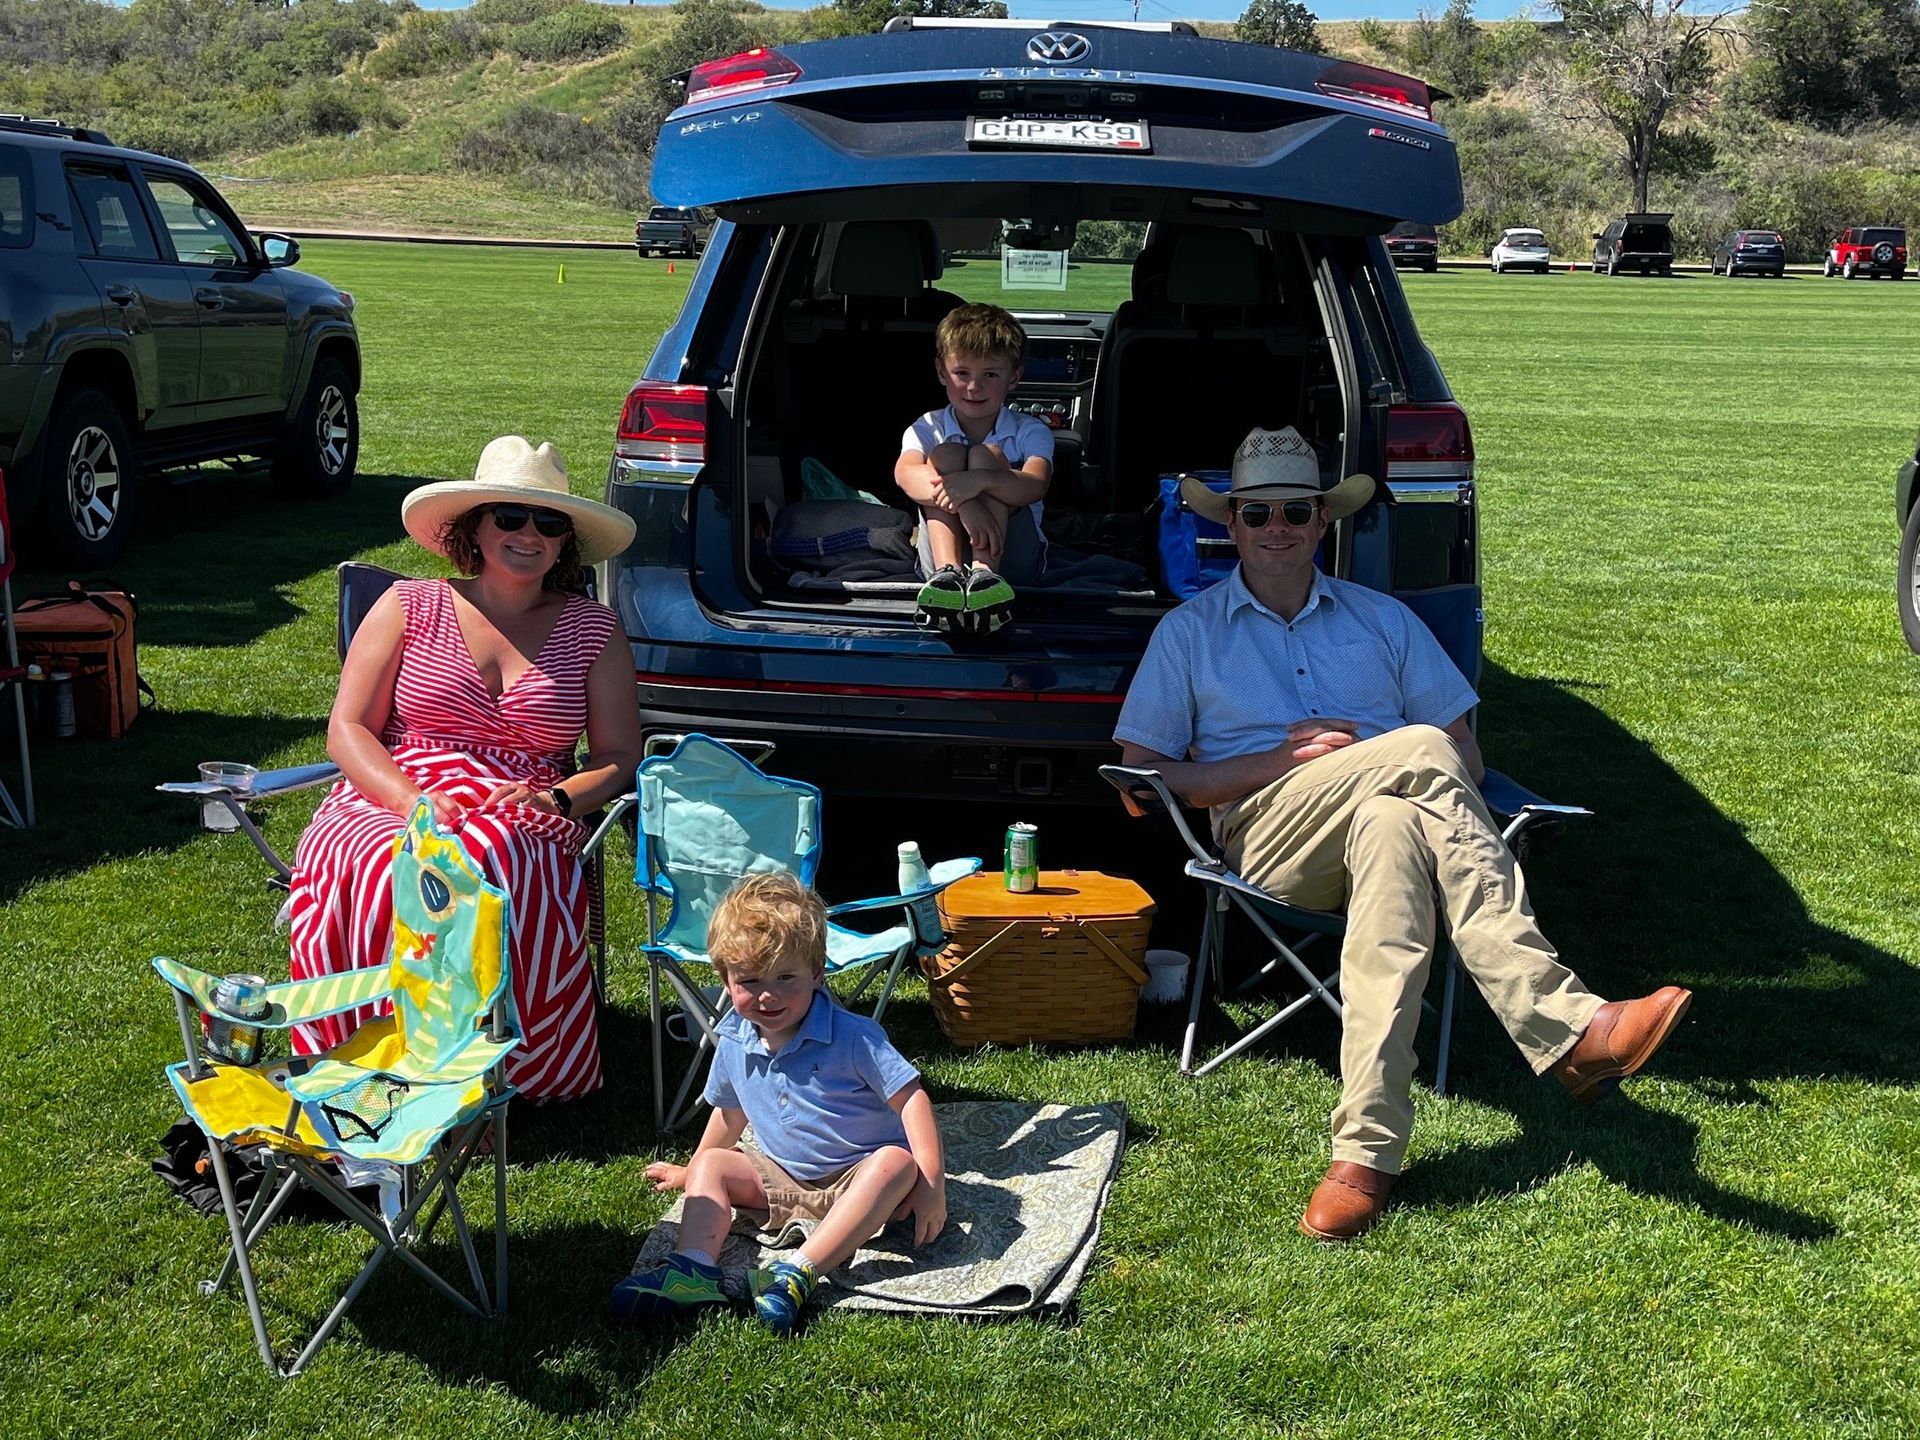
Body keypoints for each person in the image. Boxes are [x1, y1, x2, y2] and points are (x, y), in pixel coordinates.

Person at [1113, 425, 1692, 1242]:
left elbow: (1469, 753)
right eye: (1257, 513)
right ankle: (1568, 1027)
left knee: (1394, 817)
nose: (1277, 526)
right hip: (1272, 838)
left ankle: (1364, 1157)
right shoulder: (1189, 634)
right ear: (1230, 526)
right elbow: (1145, 781)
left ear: (1324, 523)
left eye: (1296, 511)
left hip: (1398, 828)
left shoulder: (1383, 620)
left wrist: (1382, 766)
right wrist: (1276, 759)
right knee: (1418, 749)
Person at [286, 436, 642, 1103]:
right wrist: (407, 799)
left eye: (548, 522)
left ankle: (481, 1078)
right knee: (381, 860)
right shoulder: (408, 606)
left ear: (567, 542)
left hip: (523, 804)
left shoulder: (594, 629)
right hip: (393, 790)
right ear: (474, 528)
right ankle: (367, 1063)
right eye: (509, 516)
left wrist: (559, 802)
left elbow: (620, 756)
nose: (528, 533)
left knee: (490, 853)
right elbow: (349, 728)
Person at [612, 871, 946, 1334]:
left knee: (895, 1162)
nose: (769, 995)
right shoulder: (732, 1038)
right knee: (713, 1161)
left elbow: (912, 1100)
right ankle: (692, 1271)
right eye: (750, 980)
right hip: (781, 1179)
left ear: (818, 972)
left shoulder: (854, 1037)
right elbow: (730, 1113)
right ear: (724, 980)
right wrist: (694, 1172)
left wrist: (932, 1182)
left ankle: (797, 1273)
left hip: (860, 1182)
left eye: (786, 977)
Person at [894, 302, 1054, 633]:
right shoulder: (926, 427)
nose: (973, 387)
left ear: (1015, 377)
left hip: (1013, 558)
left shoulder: (1029, 430)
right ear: (941, 371)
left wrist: (979, 481)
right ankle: (947, 578)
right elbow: (906, 475)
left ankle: (985, 577)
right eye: (962, 373)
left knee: (986, 456)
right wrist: (964, 501)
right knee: (946, 455)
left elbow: (1036, 484)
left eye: (990, 374)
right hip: (938, 557)